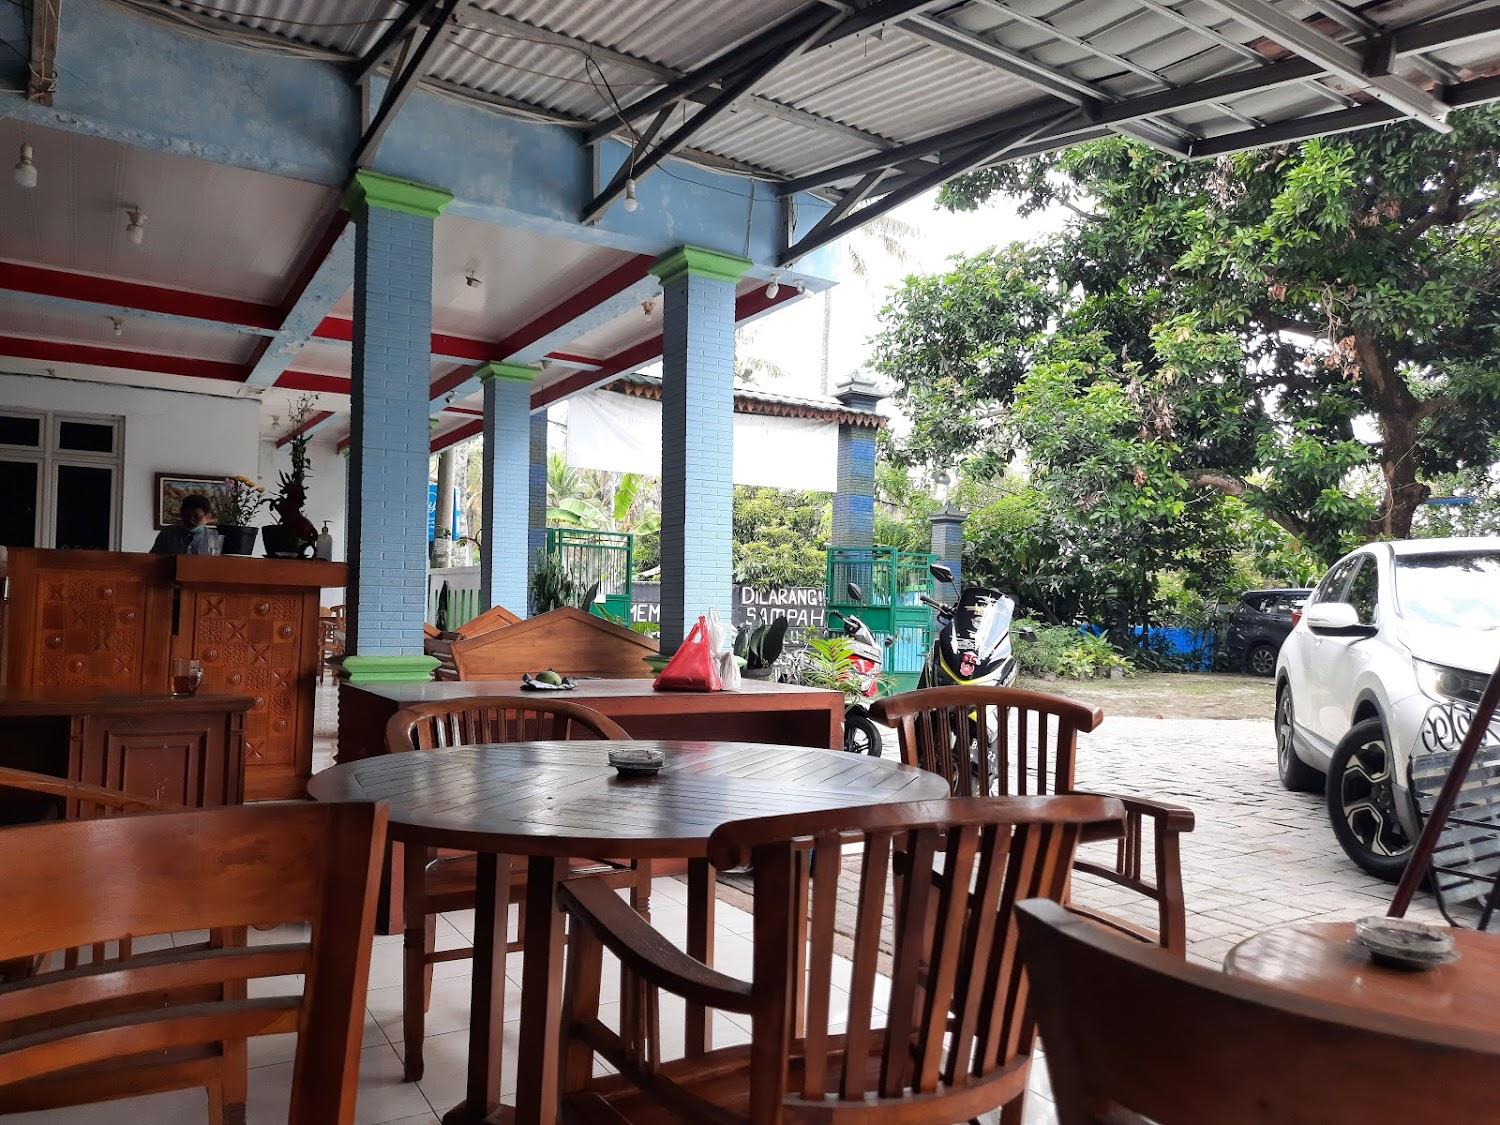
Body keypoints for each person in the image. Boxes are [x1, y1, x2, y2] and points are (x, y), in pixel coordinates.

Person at [151, 494, 215, 554]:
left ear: (208, 517)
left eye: (197, 517)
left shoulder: (215, 538)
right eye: (186, 516)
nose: (190, 520)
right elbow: (152, 558)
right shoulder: (167, 533)